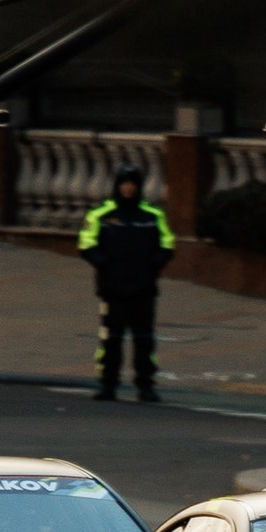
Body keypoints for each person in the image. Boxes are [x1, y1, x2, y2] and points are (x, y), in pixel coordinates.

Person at [77, 163, 174, 402]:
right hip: (113, 289)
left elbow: (167, 245)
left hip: (143, 289)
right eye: (124, 183)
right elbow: (87, 244)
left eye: (132, 184)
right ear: (117, 185)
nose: (128, 188)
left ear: (138, 187)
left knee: (144, 339)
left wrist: (152, 266)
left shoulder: (152, 215)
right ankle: (108, 384)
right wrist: (106, 266)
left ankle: (146, 385)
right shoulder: (101, 214)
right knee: (111, 339)